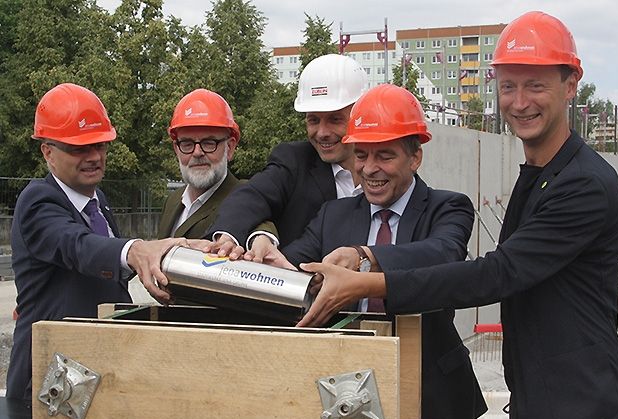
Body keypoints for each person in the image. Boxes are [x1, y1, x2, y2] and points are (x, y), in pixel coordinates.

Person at [299, 11, 618, 419]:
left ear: (570, 85)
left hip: (581, 409)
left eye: (535, 85)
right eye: (509, 85)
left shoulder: (583, 184)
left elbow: (497, 273)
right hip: (544, 400)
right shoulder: (542, 172)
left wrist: (367, 279)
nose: (519, 101)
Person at [259, 84, 487, 419]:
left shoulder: (448, 207)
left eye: (385, 156)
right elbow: (296, 260)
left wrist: (366, 255)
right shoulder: (333, 214)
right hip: (345, 390)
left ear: (415, 157)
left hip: (429, 394)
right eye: (361, 155)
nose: (369, 169)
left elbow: (442, 254)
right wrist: (269, 254)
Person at [7, 83, 207, 401]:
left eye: (100, 145)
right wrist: (137, 249)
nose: (94, 156)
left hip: (96, 371)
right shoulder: (37, 201)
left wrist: (169, 259)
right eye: (79, 148)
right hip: (50, 382)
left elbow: (112, 270)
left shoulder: (99, 200)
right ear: (47, 151)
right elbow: (78, 246)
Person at [206, 53, 367, 255]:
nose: (322, 133)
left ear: (360, 114)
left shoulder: (389, 171)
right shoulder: (294, 162)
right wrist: (227, 236)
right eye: (313, 120)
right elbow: (252, 196)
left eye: (335, 119)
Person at [157, 89, 242, 239]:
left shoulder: (246, 200)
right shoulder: (173, 201)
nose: (197, 152)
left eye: (209, 143)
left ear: (229, 148)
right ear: (176, 149)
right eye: (187, 143)